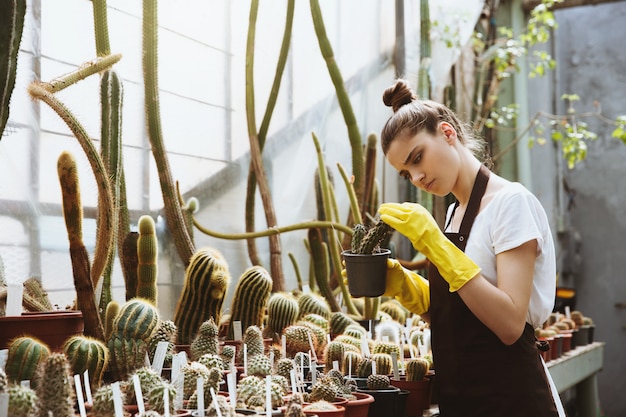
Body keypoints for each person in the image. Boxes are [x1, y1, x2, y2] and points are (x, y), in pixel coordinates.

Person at [377, 79, 565, 417]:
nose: (417, 177)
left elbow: (508, 324)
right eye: (406, 173)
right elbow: (464, 315)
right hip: (464, 400)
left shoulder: (511, 203)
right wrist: (408, 289)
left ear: (448, 133)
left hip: (515, 400)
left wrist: (435, 244)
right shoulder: (454, 214)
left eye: (417, 158)